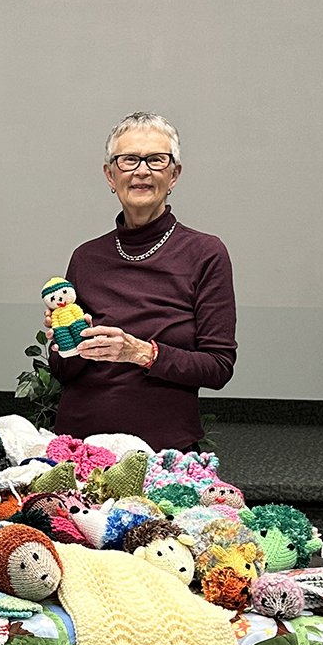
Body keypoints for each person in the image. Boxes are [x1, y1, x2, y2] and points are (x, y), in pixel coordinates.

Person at [48, 111, 236, 449]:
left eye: (156, 160)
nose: (142, 171)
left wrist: (141, 353)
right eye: (129, 160)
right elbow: (64, 372)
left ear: (174, 175)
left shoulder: (206, 253)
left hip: (163, 448)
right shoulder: (86, 257)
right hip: (81, 445)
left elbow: (219, 367)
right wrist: (66, 342)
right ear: (110, 175)